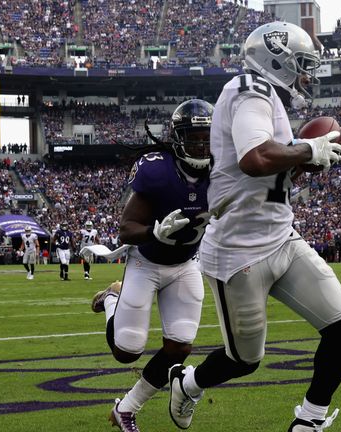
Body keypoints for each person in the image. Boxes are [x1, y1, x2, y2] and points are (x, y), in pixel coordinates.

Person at [167, 22, 341, 432]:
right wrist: (309, 147)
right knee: (244, 361)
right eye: (302, 65)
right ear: (278, 59)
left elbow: (272, 173)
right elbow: (253, 158)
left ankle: (308, 421)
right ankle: (188, 382)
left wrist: (310, 160)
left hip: (282, 238)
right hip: (239, 254)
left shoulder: (267, 95)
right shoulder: (247, 89)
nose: (306, 75)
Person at [91, 99, 214, 432]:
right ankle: (112, 300)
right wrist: (153, 232)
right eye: (194, 137)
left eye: (207, 136)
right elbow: (126, 227)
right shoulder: (157, 169)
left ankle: (126, 408)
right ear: (177, 139)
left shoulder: (222, 170)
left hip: (186, 263)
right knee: (126, 352)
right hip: (146, 261)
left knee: (179, 347)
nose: (202, 144)